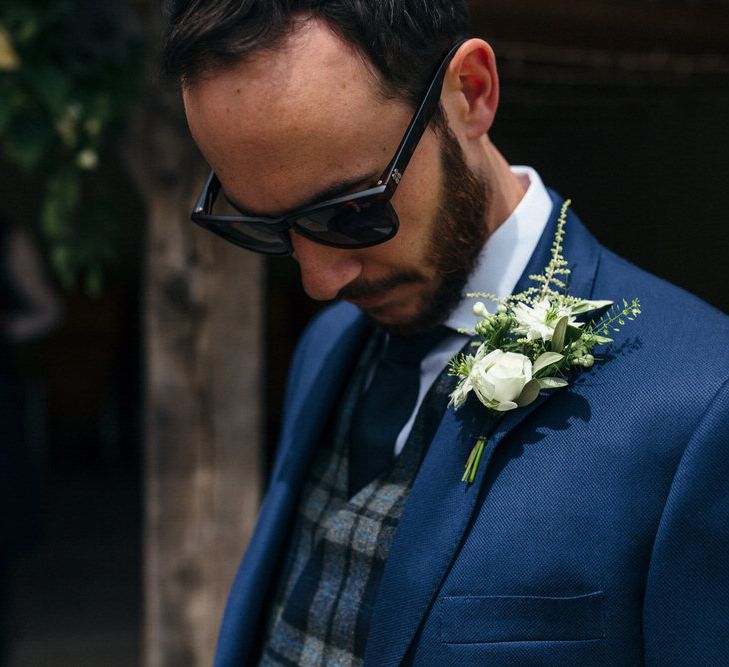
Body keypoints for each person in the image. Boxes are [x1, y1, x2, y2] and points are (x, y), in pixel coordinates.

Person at [163, 2, 729, 665]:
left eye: (352, 210)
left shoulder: (701, 404)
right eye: (265, 225)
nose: (318, 278)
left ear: (471, 93)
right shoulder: (325, 346)